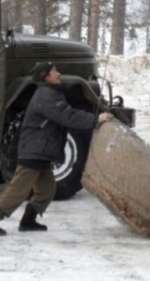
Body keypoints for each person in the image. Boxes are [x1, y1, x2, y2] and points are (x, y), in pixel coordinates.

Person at [0, 62, 112, 236]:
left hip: (41, 152)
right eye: (54, 71)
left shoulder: (52, 93)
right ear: (46, 76)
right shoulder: (46, 95)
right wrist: (95, 120)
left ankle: (28, 220)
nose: (58, 73)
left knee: (47, 190)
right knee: (18, 190)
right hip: (33, 151)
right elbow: (67, 115)